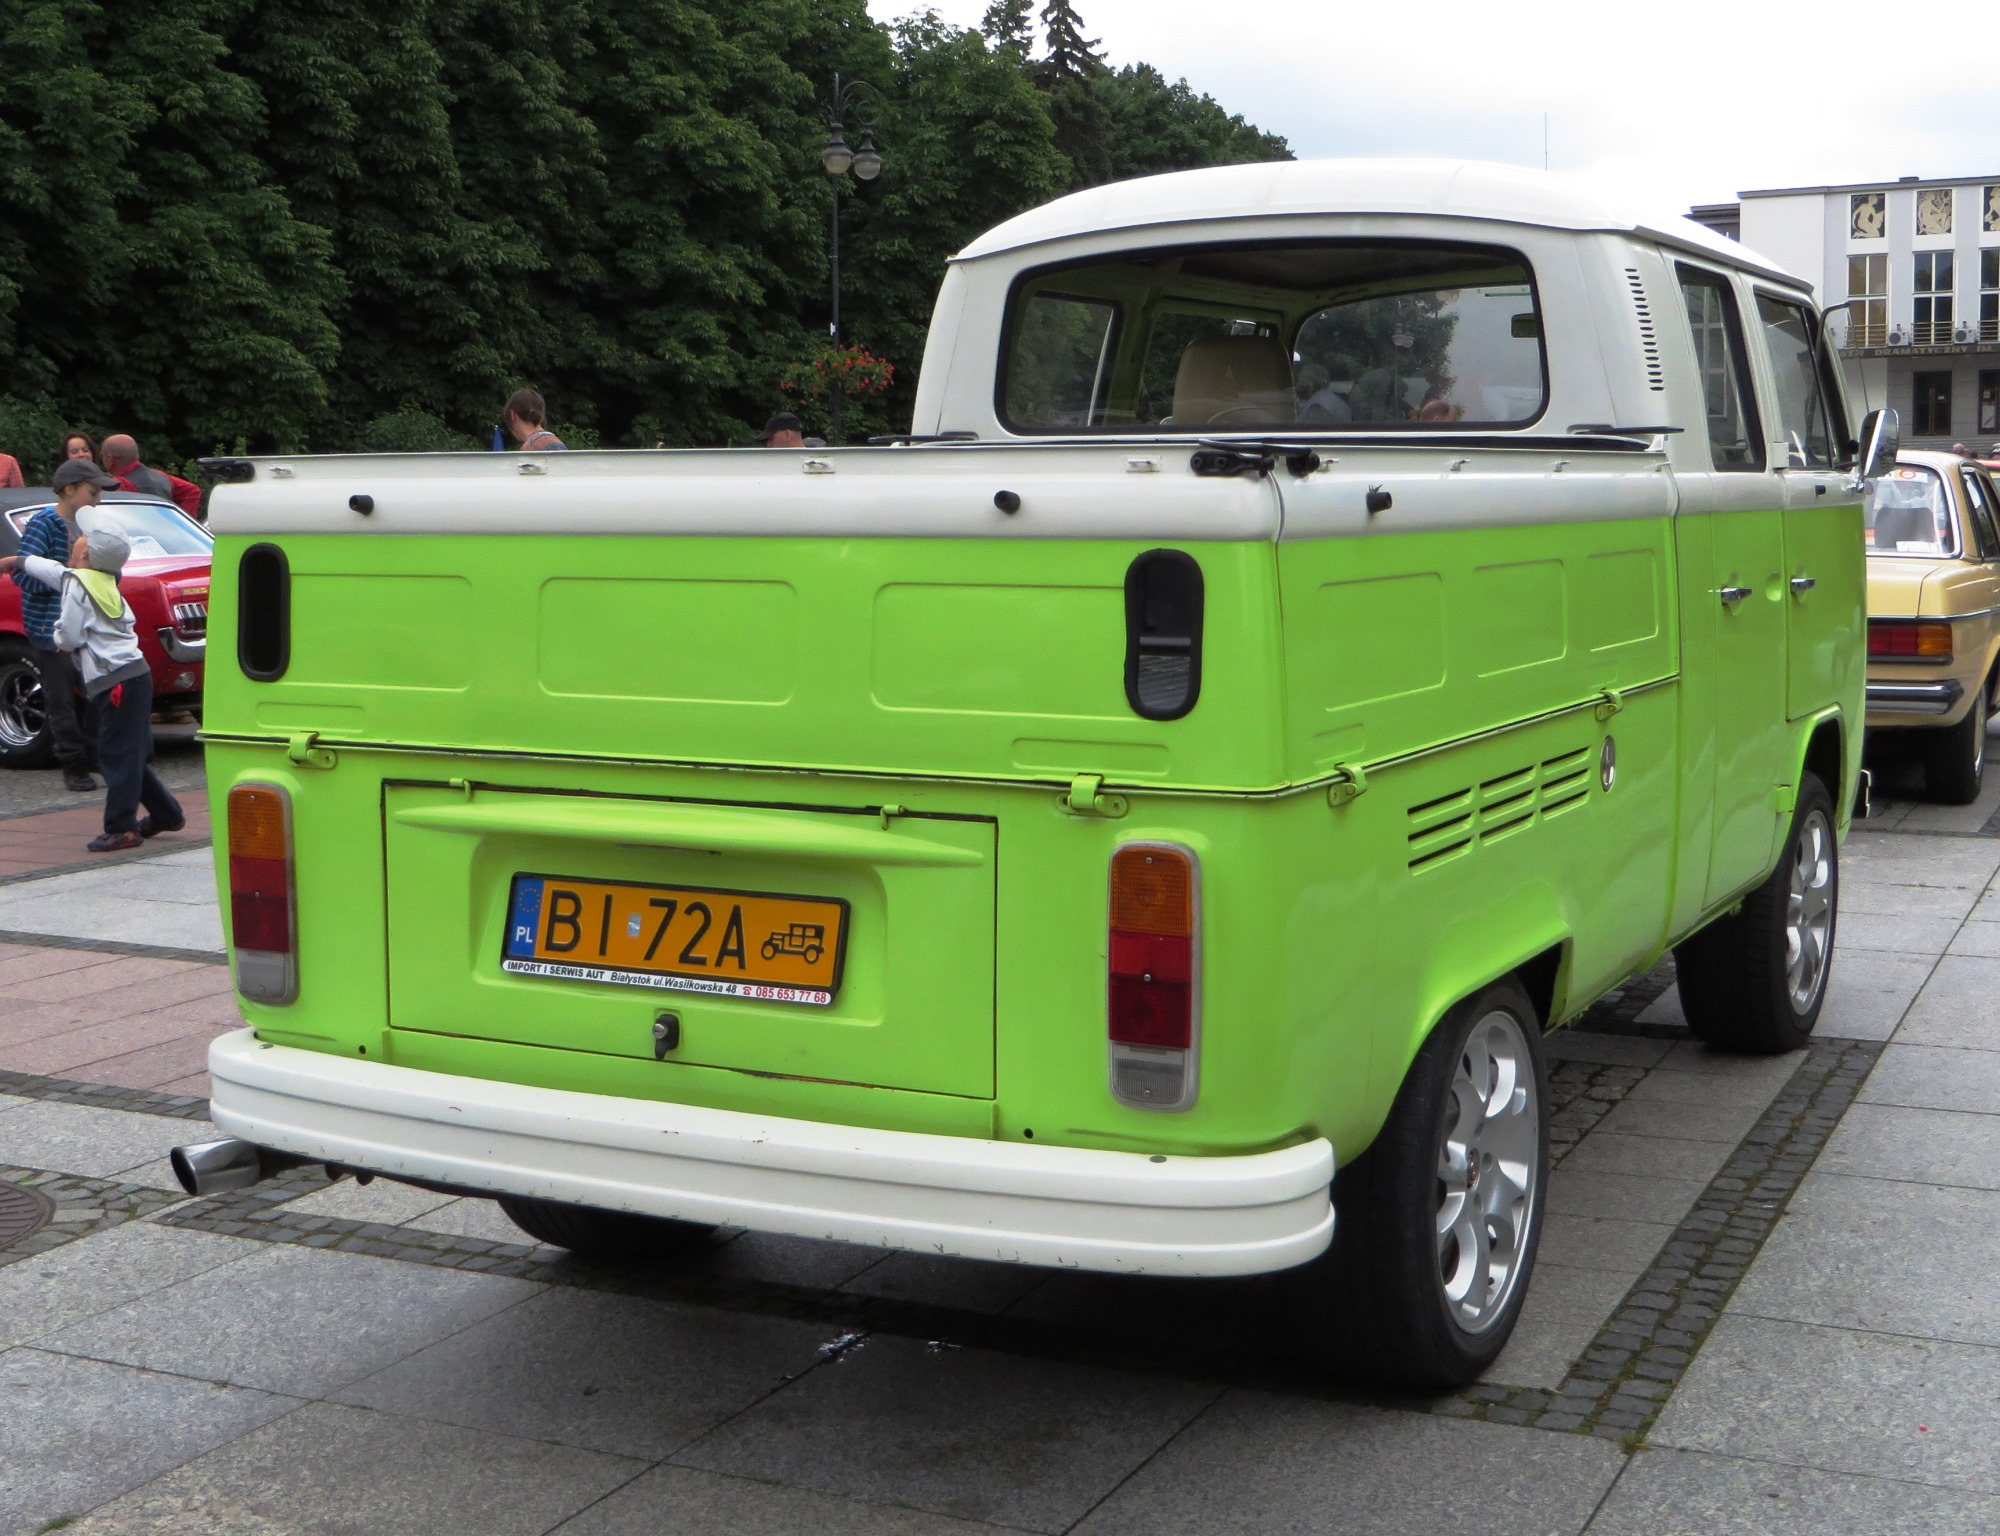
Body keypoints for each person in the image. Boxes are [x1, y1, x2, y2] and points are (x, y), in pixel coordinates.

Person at [0, 515, 183, 851]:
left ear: (86, 554)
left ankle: (121, 828)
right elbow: (54, 571)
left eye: (82, 539)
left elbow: (69, 634)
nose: (76, 540)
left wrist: (57, 639)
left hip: (116, 682)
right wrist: (18, 561)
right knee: (124, 753)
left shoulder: (78, 585)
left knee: (114, 755)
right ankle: (166, 813)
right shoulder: (99, 578)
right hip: (132, 676)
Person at [10, 458, 118, 790]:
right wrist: (67, 579)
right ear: (70, 490)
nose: (97, 500)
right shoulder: (45, 523)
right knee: (61, 700)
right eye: (92, 492)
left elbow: (109, 567)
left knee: (95, 693)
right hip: (50, 627)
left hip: (87, 627)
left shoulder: (93, 526)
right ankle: (72, 762)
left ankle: (94, 753)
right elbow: (24, 574)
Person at [100, 434, 202, 521]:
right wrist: (181, 522)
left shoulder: (118, 484)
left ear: (110, 459)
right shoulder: (160, 475)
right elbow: (192, 490)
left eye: (103, 456)